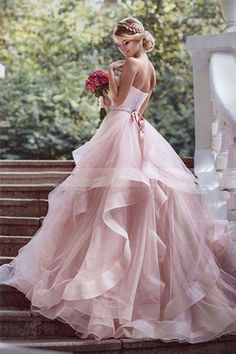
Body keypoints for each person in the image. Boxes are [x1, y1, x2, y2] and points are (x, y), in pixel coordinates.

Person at [0, 17, 236, 343]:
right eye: (119, 45)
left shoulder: (129, 64)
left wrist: (107, 78)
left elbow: (120, 103)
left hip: (121, 129)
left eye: (125, 42)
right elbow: (141, 109)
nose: (122, 49)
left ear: (137, 38)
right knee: (135, 203)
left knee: (109, 199)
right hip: (140, 132)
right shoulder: (150, 67)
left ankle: (103, 284)